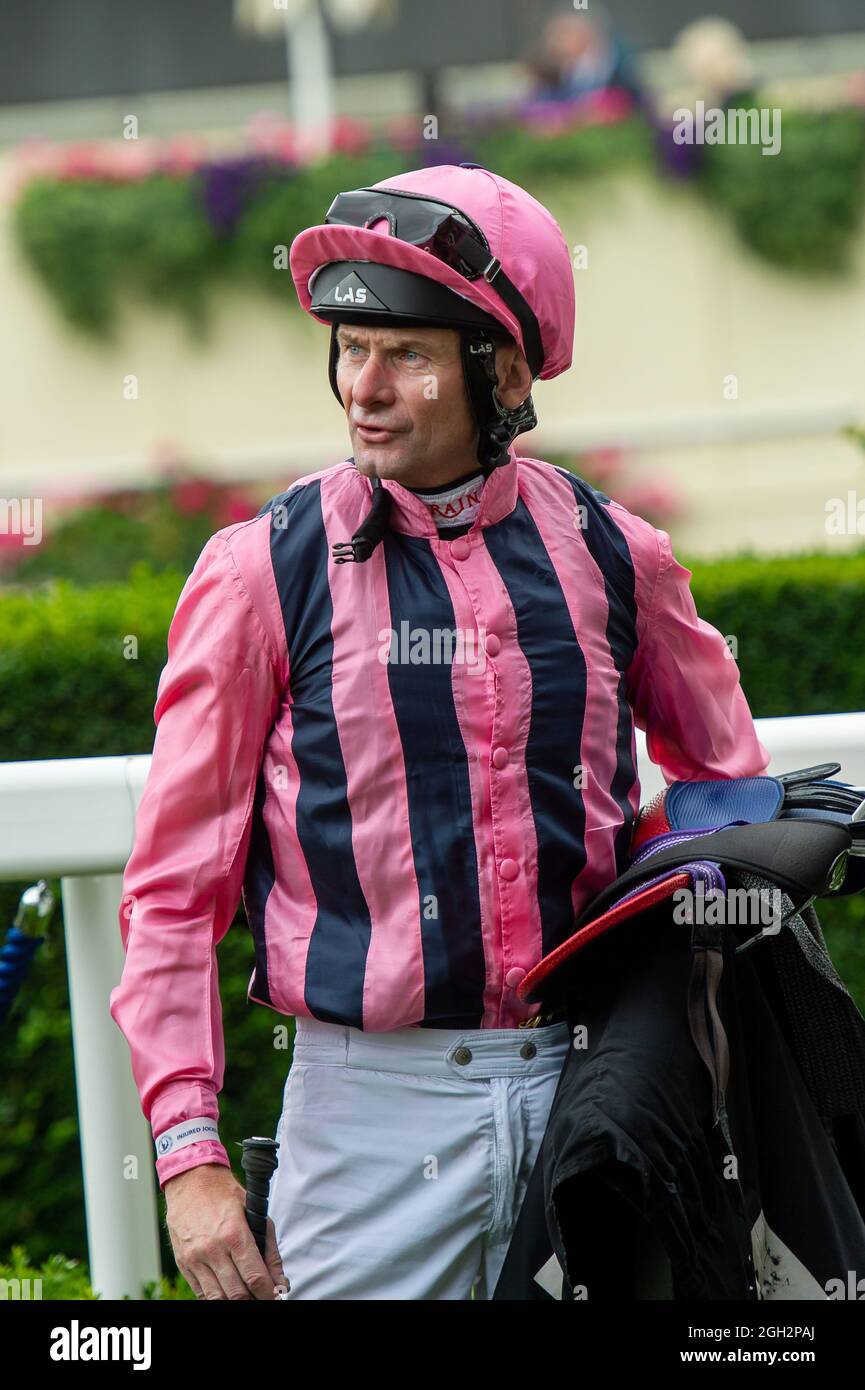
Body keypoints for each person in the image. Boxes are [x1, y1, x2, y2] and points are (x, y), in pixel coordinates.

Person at [109, 161, 771, 1301]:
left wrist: (660, 967)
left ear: (502, 368)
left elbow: (730, 790)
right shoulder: (259, 572)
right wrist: (187, 1154)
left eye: (406, 353)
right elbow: (173, 889)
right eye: (348, 349)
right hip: (365, 1124)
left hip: (595, 1090)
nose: (363, 386)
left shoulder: (619, 555)